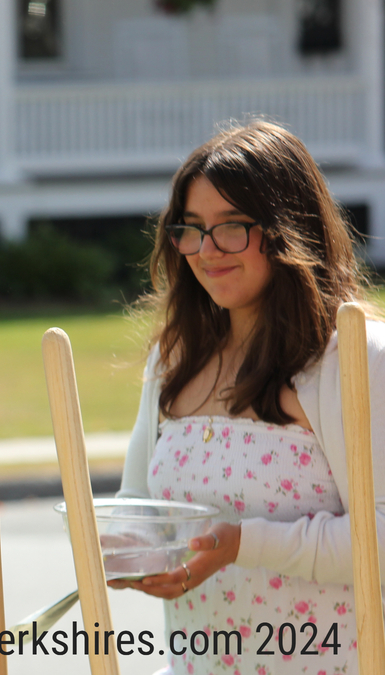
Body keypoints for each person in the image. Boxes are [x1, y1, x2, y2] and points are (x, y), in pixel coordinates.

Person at [111, 120, 384, 674]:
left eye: (232, 226)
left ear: (289, 227)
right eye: (191, 229)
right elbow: (137, 504)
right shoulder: (173, 358)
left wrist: (244, 544)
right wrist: (131, 549)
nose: (207, 250)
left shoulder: (358, 357)